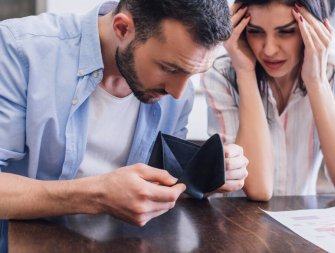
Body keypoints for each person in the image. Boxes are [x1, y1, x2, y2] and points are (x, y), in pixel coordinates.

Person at [0, 0, 249, 227]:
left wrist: (206, 176)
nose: (178, 92)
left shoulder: (176, 91)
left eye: (191, 74)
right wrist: (97, 195)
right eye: (169, 68)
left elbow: (165, 186)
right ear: (122, 29)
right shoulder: (19, 50)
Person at [201, 0, 335, 201]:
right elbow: (258, 189)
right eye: (255, 31)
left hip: (299, 222)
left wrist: (316, 80)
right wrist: (245, 72)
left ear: (314, 28)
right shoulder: (223, 74)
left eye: (286, 32)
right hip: (238, 223)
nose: (269, 50)